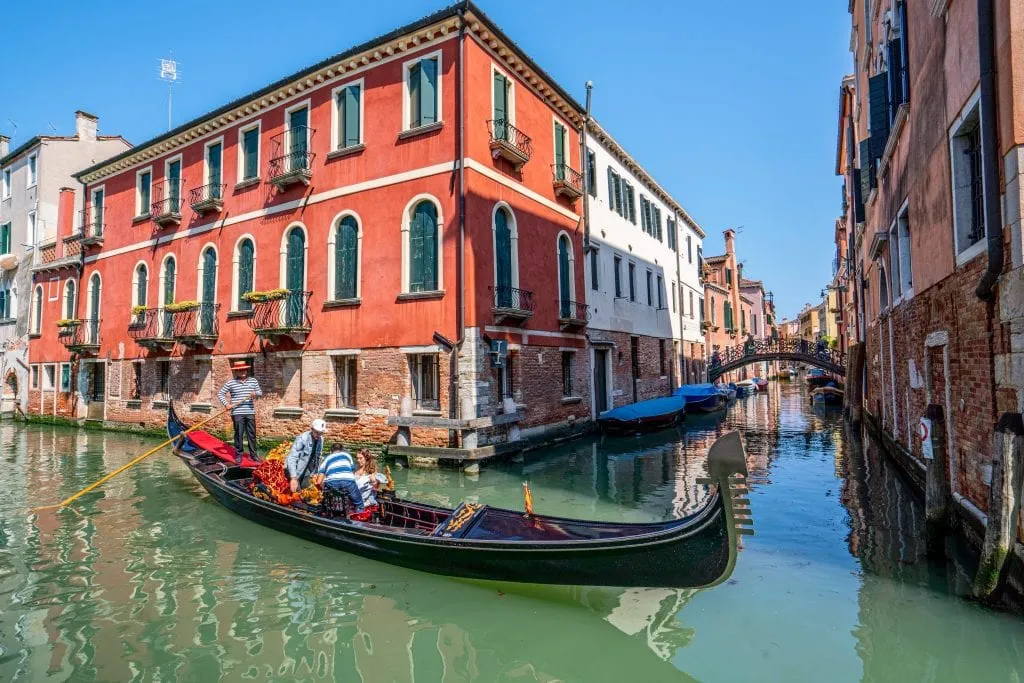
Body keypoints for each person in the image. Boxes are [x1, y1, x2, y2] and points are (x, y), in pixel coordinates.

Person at [218, 360, 263, 465]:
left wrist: (254, 394)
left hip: (250, 411)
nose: (242, 372)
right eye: (239, 370)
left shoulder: (253, 381)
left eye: (243, 370)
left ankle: (253, 455)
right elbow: (220, 394)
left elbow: (260, 392)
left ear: (246, 371)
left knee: (251, 434)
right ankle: (239, 455)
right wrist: (226, 404)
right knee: (239, 434)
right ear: (236, 372)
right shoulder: (231, 383)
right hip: (237, 412)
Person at [311, 442, 364, 516]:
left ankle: (330, 513)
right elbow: (352, 470)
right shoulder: (347, 455)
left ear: (331, 451)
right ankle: (360, 518)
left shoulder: (327, 458)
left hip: (332, 482)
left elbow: (319, 481)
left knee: (329, 500)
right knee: (359, 504)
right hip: (348, 481)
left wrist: (319, 488)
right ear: (342, 450)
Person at [285, 419, 329, 492]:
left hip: (307, 471)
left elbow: (317, 457)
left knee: (307, 492)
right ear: (312, 429)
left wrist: (315, 473)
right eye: (317, 432)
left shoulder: (321, 440)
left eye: (321, 433)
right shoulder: (302, 438)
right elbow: (292, 457)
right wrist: (293, 478)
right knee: (295, 492)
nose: (319, 435)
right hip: (295, 470)